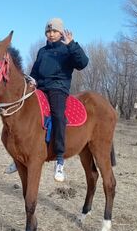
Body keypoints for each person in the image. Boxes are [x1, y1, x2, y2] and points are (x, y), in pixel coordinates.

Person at [5, 17, 89, 182]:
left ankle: (59, 158)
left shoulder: (68, 49)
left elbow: (83, 63)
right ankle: (19, 156)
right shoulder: (42, 51)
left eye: (54, 31)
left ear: (61, 32)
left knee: (58, 115)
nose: (51, 34)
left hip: (58, 89)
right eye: (48, 31)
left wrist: (72, 44)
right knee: (21, 111)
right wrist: (31, 80)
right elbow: (36, 70)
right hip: (40, 87)